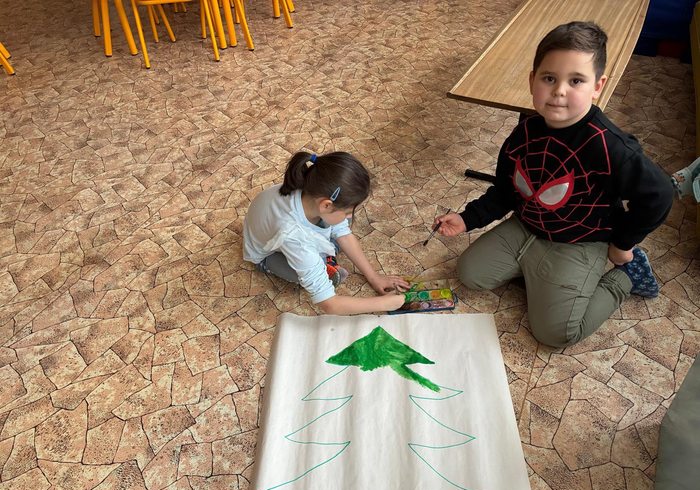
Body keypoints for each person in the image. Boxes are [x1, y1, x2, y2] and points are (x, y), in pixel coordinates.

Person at [434, 21, 674, 347]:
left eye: (576, 81)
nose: (559, 90)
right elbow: (506, 190)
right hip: (527, 226)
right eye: (549, 78)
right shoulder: (525, 130)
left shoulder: (611, 146)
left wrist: (622, 243)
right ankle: (540, 278)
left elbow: (659, 195)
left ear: (598, 86)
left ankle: (625, 279)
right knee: (470, 273)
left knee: (556, 334)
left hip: (581, 241)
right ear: (532, 80)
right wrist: (467, 219)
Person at [243, 151, 408, 315]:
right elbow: (330, 304)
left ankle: (325, 255)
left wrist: (374, 277)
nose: (350, 215)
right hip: (268, 254)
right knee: (314, 272)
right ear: (326, 205)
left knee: (340, 225)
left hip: (281, 230)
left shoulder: (312, 187)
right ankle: (324, 260)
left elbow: (344, 233)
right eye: (348, 211)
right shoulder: (294, 235)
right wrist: (387, 303)